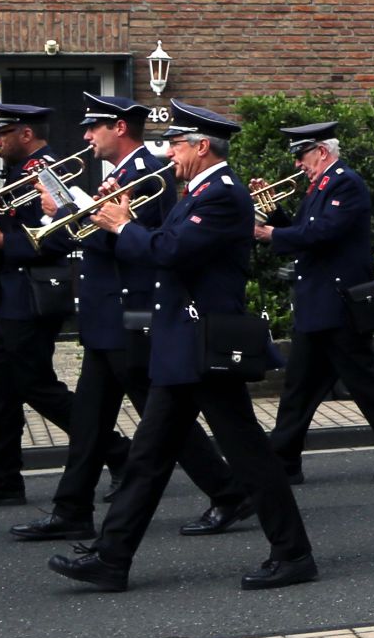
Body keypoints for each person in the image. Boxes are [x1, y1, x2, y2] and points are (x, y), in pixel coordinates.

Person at [50, 102, 315, 592]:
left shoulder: (222, 194)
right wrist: (119, 220)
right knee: (148, 457)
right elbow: (159, 246)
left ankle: (294, 553)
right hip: (182, 342)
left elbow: (168, 253)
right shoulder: (197, 192)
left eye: (175, 145)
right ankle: (111, 557)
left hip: (203, 342)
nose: (168, 153)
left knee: (248, 454)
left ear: (202, 147)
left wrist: (122, 225)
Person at [14, 94, 244, 544]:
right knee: (89, 421)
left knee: (165, 420)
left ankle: (227, 491)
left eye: (93, 127)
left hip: (130, 313)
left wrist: (67, 213)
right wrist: (69, 216)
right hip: (106, 314)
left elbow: (138, 245)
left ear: (118, 128)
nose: (86, 136)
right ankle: (72, 509)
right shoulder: (122, 174)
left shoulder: (146, 173)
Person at [257, 122, 374, 485]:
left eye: (301, 155)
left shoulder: (345, 183)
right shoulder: (322, 185)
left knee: (364, 386)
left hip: (337, 306)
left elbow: (323, 233)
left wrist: (272, 233)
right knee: (298, 389)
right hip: (318, 305)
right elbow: (303, 231)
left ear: (322, 151)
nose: (297, 164)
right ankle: (284, 462)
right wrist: (273, 212)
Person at [0, 102, 80, 510]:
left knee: (37, 388)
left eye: (3, 133)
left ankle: (118, 452)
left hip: (33, 297)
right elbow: (3, 219)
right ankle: (4, 480)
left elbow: (67, 235)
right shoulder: (12, 173)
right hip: (11, 297)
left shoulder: (49, 172)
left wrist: (4, 242)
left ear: (26, 134)